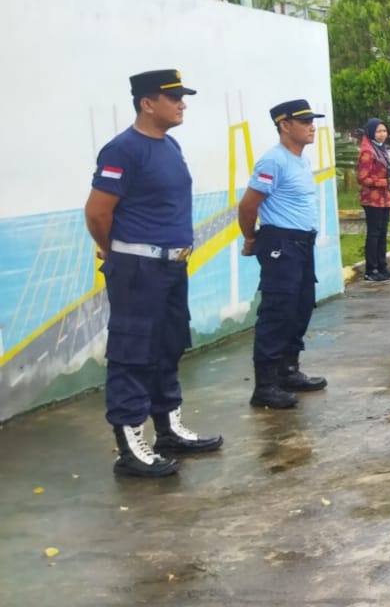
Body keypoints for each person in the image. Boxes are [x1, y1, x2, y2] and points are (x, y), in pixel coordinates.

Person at [85, 69, 221, 477]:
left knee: (168, 345)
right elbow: (97, 212)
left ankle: (168, 428)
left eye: (182, 97)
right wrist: (116, 251)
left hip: (172, 265)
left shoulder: (170, 145)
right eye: (173, 97)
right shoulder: (122, 150)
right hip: (139, 267)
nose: (182, 103)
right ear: (147, 103)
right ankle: (130, 446)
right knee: (133, 353)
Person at [237, 99, 331, 410]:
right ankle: (265, 385)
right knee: (277, 312)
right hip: (281, 244)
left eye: (311, 121)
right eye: (304, 121)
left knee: (300, 307)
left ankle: (288, 371)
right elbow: (248, 206)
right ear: (284, 125)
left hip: (302, 244)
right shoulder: (273, 162)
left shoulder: (300, 160)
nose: (311, 126)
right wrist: (251, 238)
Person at [357, 118, 390, 282]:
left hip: (384, 198)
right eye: (378, 131)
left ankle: (382, 267)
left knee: (382, 234)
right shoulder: (367, 151)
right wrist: (386, 182)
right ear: (371, 133)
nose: (382, 134)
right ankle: (371, 269)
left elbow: (386, 175)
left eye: (384, 131)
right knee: (374, 234)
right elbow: (362, 178)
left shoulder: (381, 149)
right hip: (372, 199)